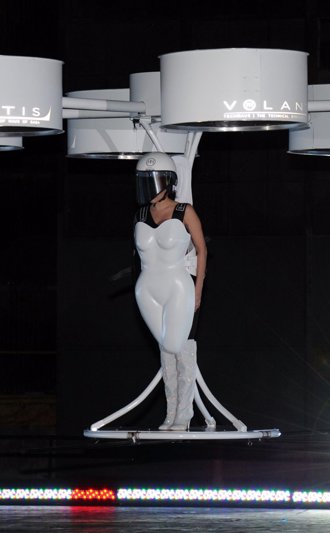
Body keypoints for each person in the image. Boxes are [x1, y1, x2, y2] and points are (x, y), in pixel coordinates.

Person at [133, 152, 207, 431]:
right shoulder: (141, 214)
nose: (149, 186)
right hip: (149, 289)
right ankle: (170, 412)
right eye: (144, 180)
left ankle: (184, 415)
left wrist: (198, 290)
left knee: (182, 349)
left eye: (153, 180)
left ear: (167, 182)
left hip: (179, 286)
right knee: (166, 352)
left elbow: (201, 250)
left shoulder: (184, 211)